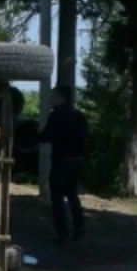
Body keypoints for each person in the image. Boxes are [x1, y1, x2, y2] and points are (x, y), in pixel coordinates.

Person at [38, 85, 88, 242]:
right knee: (72, 194)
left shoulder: (56, 116)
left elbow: (46, 136)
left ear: (61, 97)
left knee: (57, 197)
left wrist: (37, 135)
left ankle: (63, 233)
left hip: (61, 160)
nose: (51, 99)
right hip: (77, 160)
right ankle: (79, 228)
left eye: (53, 96)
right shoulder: (79, 116)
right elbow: (86, 138)